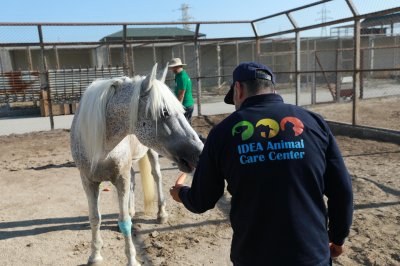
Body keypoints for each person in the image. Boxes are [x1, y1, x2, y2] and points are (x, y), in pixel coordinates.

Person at [170, 62, 353, 266]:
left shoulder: (222, 133)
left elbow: (202, 200)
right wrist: (337, 237)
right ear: (273, 89)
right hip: (311, 253)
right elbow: (342, 190)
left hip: (254, 256)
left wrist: (181, 193)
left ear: (238, 89)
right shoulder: (314, 122)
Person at [168, 58, 195, 124]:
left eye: (173, 67)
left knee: (185, 126)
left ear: (178, 66)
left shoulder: (182, 77)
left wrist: (178, 108)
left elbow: (181, 94)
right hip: (185, 105)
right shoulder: (178, 75)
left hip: (185, 106)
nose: (172, 69)